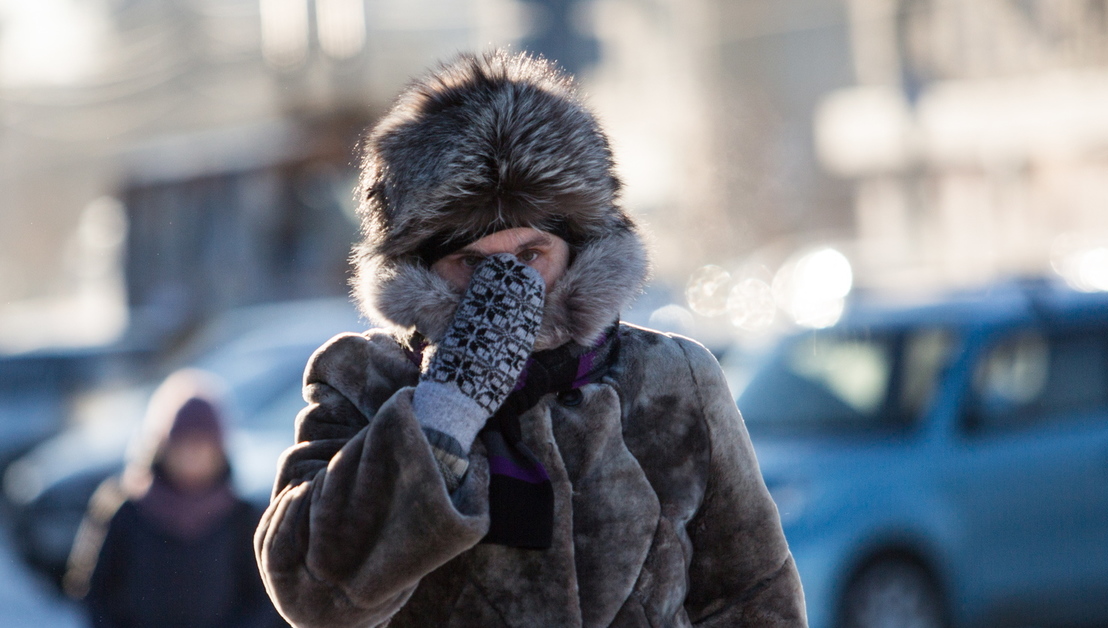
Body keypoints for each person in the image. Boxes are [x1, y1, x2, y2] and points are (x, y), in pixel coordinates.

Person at [254, 51, 806, 627]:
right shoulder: (363, 382)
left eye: (529, 255)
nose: (505, 285)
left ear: (576, 248)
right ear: (422, 268)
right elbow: (314, 596)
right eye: (471, 262)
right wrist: (443, 414)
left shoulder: (672, 380)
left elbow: (751, 596)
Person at [65, 370, 283, 628]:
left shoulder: (242, 518)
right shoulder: (124, 509)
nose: (193, 456)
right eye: (183, 445)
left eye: (203, 445)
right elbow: (92, 591)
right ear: (162, 447)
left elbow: (266, 600)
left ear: (220, 450)